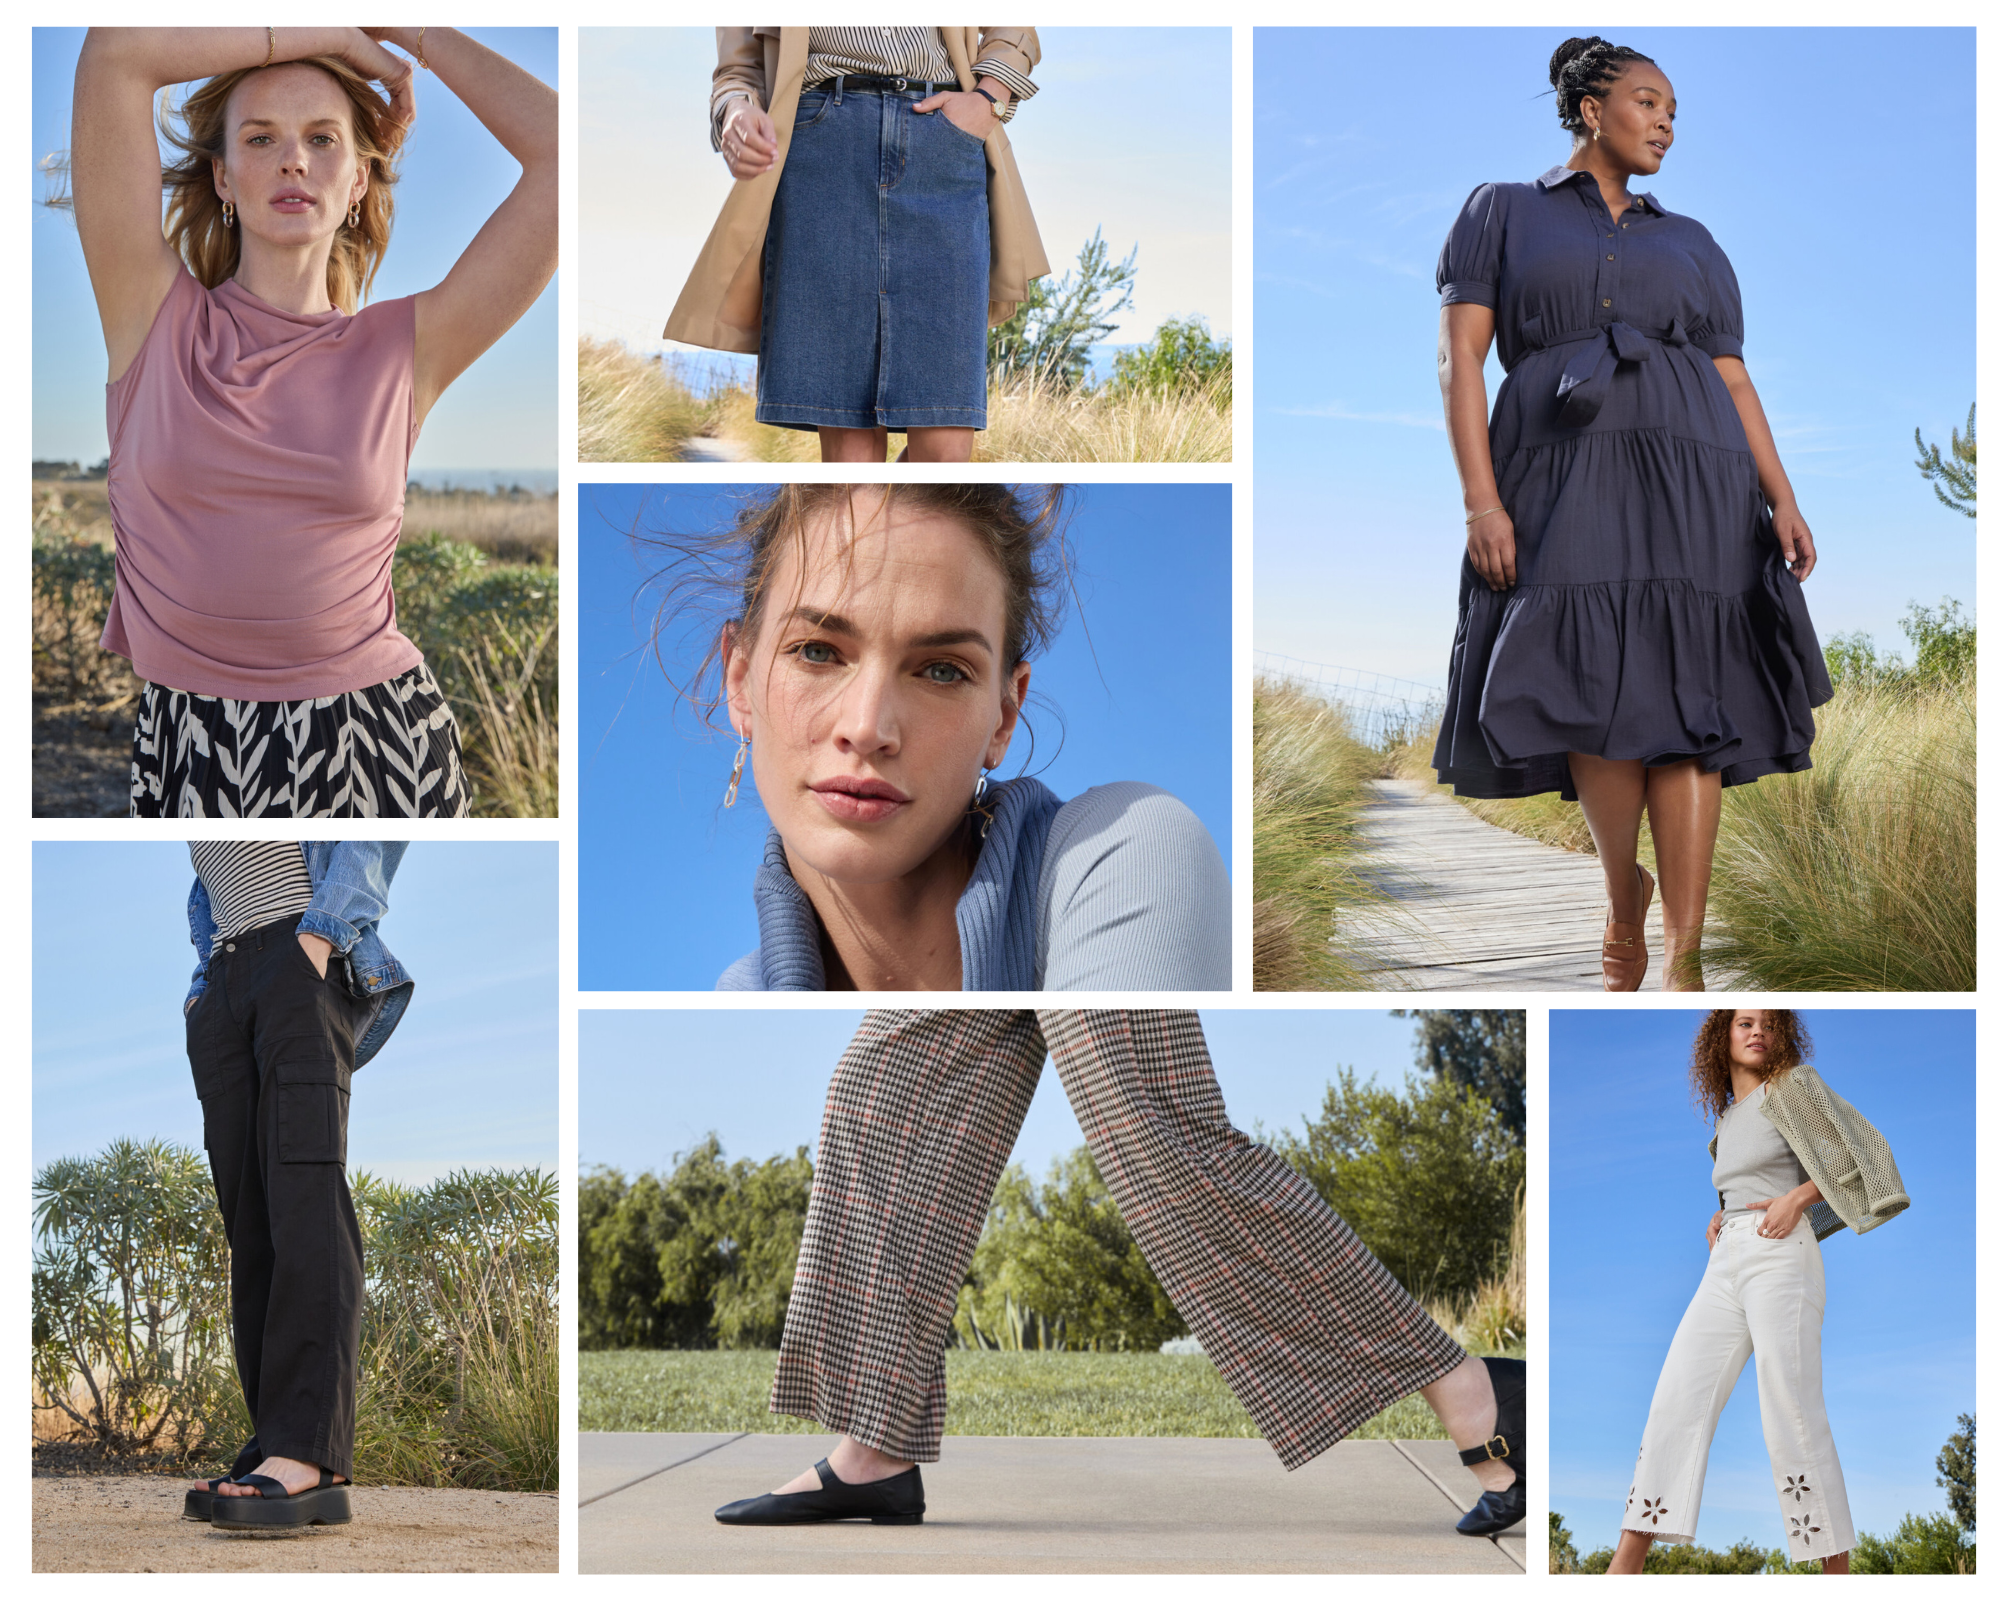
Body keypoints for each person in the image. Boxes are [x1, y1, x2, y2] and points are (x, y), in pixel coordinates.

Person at [712, 1009, 1531, 1538]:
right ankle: (875, 1453)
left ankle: (1468, 1391)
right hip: (989, 880)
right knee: (878, 1099)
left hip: (1086, 878)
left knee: (1160, 1150)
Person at [61, 27, 559, 815]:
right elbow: (115, 53)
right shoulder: (152, 319)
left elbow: (560, 160)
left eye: (322, 139)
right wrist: (336, 40)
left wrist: (410, 37)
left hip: (379, 740)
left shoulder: (405, 350)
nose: (293, 159)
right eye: (262, 138)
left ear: (359, 179)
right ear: (223, 176)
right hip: (192, 742)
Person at [1430, 36, 1833, 990]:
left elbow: (1734, 381)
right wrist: (1480, 501)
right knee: (1583, 687)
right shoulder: (1503, 211)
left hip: (1697, 480)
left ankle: (1684, 960)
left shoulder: (1692, 242)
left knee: (1693, 701)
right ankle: (1624, 895)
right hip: (1558, 473)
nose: (1665, 123)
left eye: (1674, 113)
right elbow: (1460, 362)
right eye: (1648, 103)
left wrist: (1781, 494)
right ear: (1588, 109)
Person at [632, 481, 1232, 991]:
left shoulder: (1123, 849)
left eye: (942, 670)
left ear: (1002, 717)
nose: (866, 729)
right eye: (817, 652)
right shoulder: (742, 988)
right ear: (739, 682)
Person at [1606, 1010, 1909, 1575]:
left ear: (1782, 1037)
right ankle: (1625, 1565)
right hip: (1727, 1261)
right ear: (1722, 1037)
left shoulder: (1793, 1086)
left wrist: (1798, 1199)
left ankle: (1833, 1570)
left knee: (1789, 1411)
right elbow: (1746, 1186)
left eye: (1769, 1024)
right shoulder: (1725, 1120)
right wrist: (1722, 1216)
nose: (1757, 1031)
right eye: (1745, 1022)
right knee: (1675, 1400)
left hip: (1782, 1257)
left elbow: (1865, 1152)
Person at [663, 28, 1052, 465]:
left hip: (943, 141)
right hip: (822, 147)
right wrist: (735, 112)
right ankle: (865, 534)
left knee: (946, 448)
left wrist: (987, 100)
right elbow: (737, 70)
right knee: (851, 457)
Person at [178, 840, 414, 1528]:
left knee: (305, 1201)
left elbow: (377, 819)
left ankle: (307, 1455)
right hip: (222, 984)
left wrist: (322, 932)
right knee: (250, 1230)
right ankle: (271, 1443)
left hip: (299, 953)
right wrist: (204, 987)